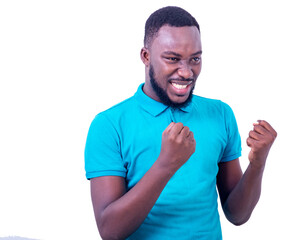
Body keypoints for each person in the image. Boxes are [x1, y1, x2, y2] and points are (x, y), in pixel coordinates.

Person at [84, 6, 277, 240]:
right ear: (146, 57)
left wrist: (257, 163)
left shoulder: (220, 114)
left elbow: (237, 215)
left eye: (195, 59)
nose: (186, 72)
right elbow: (110, 231)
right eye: (173, 59)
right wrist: (166, 164)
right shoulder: (109, 125)